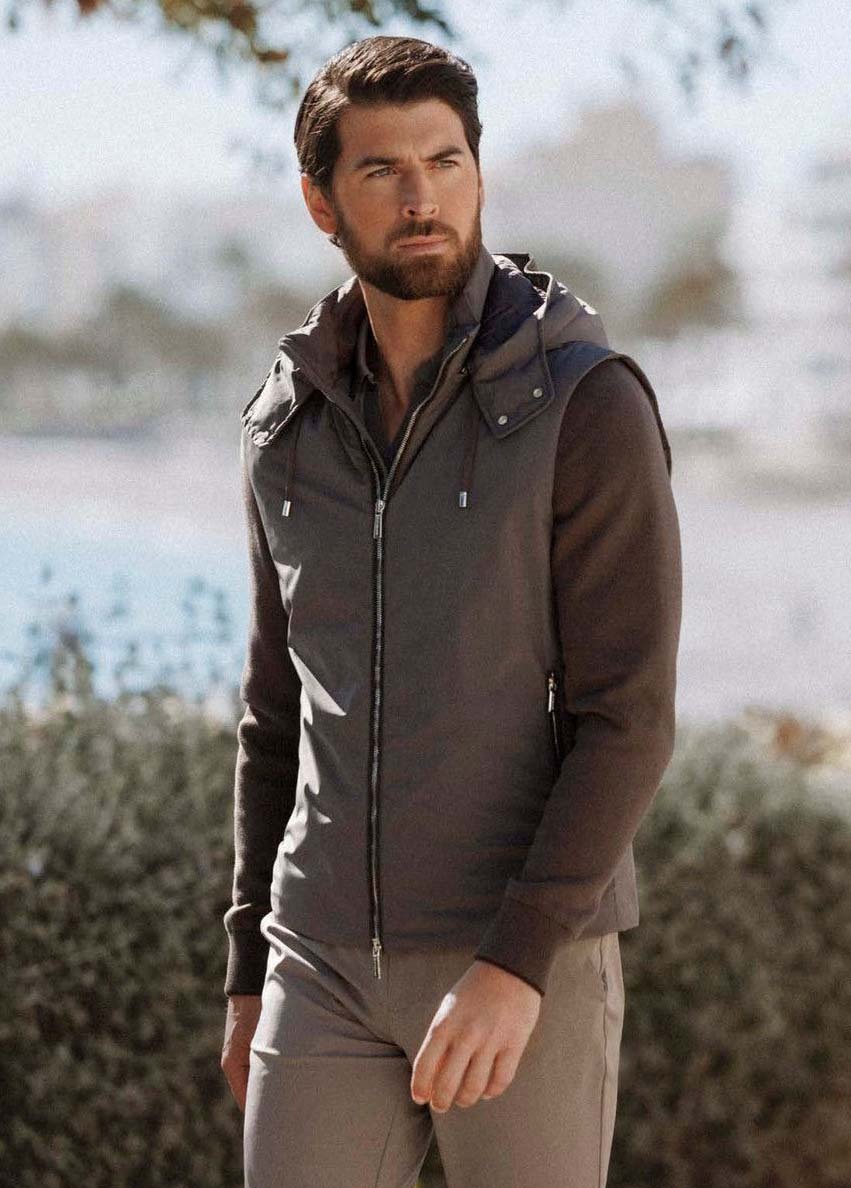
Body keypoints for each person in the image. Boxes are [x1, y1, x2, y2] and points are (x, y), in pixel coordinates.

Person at [220, 33, 682, 1188]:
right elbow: (274, 715)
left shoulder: (585, 404)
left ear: (478, 173)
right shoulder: (285, 425)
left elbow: (626, 718)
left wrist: (517, 962)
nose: (420, 196)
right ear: (322, 204)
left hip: (519, 955)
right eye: (381, 170)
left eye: (444, 161)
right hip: (317, 957)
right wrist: (245, 969)